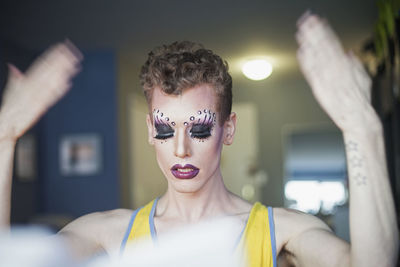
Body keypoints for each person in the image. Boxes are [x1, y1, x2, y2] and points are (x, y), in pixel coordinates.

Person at [0, 13, 398, 267]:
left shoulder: (282, 232)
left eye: (201, 128)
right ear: (149, 131)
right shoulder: (109, 234)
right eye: (165, 129)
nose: (180, 148)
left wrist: (362, 127)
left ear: (228, 130)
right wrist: (4, 136)